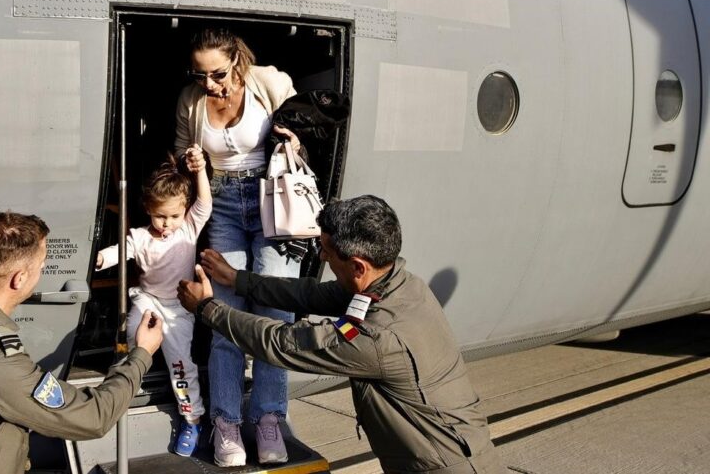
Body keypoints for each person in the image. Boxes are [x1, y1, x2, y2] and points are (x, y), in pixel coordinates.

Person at [178, 195, 506, 474]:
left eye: (326, 251)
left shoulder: (377, 339)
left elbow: (283, 343)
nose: (321, 257)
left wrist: (208, 309)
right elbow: (310, 294)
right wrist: (239, 280)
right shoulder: (401, 286)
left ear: (358, 266)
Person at [0, 210, 163, 474]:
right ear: (19, 279)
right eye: (41, 266)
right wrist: (141, 354)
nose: (42, 271)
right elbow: (93, 417)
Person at [175, 26, 304, 466]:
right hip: (222, 205)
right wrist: (190, 161)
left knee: (275, 314)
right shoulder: (191, 100)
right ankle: (227, 423)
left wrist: (296, 139)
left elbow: (304, 120)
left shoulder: (267, 81)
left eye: (217, 74)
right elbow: (179, 153)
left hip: (272, 201)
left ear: (236, 60)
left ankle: (268, 419)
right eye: (199, 75)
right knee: (223, 315)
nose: (209, 84)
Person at [94, 149, 211, 456]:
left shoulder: (189, 228)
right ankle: (129, 378)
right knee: (132, 330)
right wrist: (99, 259)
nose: (167, 223)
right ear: (148, 208)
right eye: (160, 216)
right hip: (148, 299)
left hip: (178, 307)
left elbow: (205, 203)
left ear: (184, 210)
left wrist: (200, 171)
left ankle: (192, 419)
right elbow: (120, 251)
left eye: (174, 216)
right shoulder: (140, 237)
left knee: (181, 365)